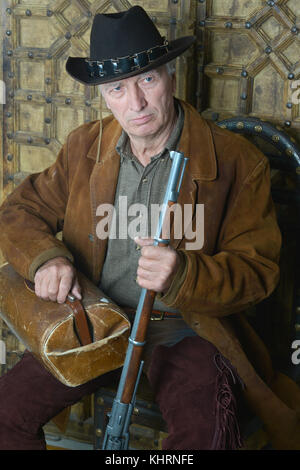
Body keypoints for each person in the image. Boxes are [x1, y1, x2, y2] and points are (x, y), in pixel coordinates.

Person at [0, 6, 281, 450]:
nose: (136, 104)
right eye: (117, 88)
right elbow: (18, 212)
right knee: (5, 416)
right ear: (103, 94)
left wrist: (183, 274)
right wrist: (47, 259)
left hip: (187, 329)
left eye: (147, 80)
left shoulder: (237, 162)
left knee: (202, 439)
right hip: (99, 320)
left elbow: (258, 272)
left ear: (170, 75)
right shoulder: (84, 146)